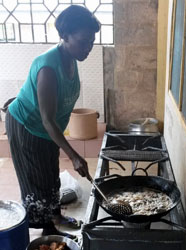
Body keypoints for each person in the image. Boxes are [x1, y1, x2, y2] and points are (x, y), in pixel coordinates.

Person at [5, 5, 100, 238]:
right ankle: (36, 231)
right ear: (64, 36)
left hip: (47, 129)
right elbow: (47, 119)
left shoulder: (72, 57)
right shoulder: (48, 67)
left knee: (50, 176)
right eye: (83, 41)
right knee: (36, 181)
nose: (87, 48)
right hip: (27, 126)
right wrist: (74, 155)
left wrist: (66, 149)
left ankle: (54, 221)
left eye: (91, 41)